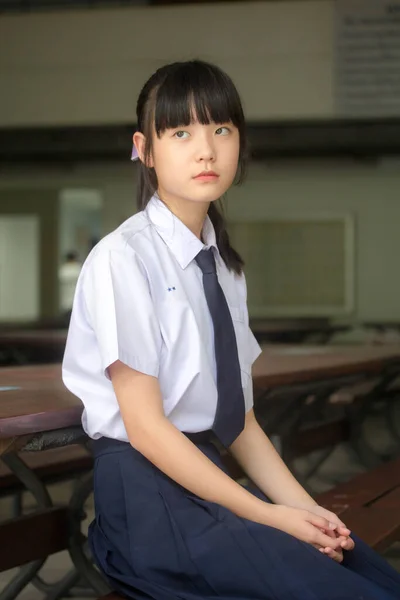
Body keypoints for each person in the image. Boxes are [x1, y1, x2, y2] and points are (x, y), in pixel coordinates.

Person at [62, 61, 400, 600]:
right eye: (181, 132)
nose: (206, 150)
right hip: (148, 502)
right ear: (144, 149)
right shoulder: (123, 259)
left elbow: (239, 422)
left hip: (207, 485)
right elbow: (146, 430)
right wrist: (270, 516)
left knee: (369, 572)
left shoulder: (224, 267)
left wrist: (305, 510)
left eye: (221, 129)